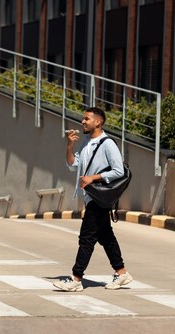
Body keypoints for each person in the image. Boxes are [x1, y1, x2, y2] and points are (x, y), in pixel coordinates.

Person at [54, 107, 133, 292]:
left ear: (98, 122)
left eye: (86, 119)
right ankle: (122, 273)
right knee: (106, 237)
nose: (83, 121)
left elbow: (118, 171)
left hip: (99, 197)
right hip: (91, 197)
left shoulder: (107, 144)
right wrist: (69, 146)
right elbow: (73, 164)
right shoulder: (87, 143)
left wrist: (93, 177)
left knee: (86, 238)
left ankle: (76, 278)